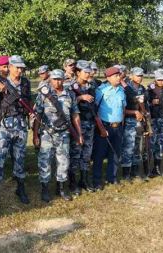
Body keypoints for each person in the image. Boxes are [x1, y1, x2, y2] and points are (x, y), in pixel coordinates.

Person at [0, 55, 32, 207]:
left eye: (21, 68)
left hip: (21, 126)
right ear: (10, 67)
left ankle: (21, 188)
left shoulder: (25, 82)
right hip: (5, 127)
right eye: (17, 67)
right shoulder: (1, 82)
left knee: (19, 159)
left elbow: (28, 101)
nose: (20, 70)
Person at [33, 69, 82, 202]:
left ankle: (61, 188)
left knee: (63, 162)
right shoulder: (44, 94)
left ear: (64, 79)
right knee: (45, 161)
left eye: (59, 79)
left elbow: (75, 115)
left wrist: (79, 133)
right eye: (54, 79)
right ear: (50, 79)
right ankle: (45, 189)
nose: (57, 82)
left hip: (64, 134)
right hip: (47, 133)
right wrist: (35, 135)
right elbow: (37, 115)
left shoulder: (70, 95)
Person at [92, 67, 126, 190]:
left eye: (119, 75)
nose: (118, 78)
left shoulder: (121, 90)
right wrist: (100, 127)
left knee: (115, 153)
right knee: (99, 154)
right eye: (116, 76)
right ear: (108, 78)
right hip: (104, 127)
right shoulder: (101, 91)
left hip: (118, 127)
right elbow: (94, 111)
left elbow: (123, 108)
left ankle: (112, 177)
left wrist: (122, 124)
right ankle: (96, 180)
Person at [68, 60, 95, 195]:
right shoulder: (70, 86)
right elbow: (67, 104)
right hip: (77, 124)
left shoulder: (92, 86)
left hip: (90, 124)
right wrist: (80, 98)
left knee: (86, 154)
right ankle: (72, 183)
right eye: (85, 72)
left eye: (89, 72)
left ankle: (84, 180)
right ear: (78, 72)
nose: (88, 74)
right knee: (75, 153)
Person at [120, 67, 147, 181]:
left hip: (139, 121)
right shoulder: (125, 88)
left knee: (137, 147)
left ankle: (135, 172)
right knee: (128, 147)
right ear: (131, 76)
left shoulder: (142, 89)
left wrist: (144, 115)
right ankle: (126, 173)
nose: (139, 78)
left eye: (141, 76)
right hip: (129, 121)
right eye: (137, 75)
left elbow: (144, 106)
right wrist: (134, 112)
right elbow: (121, 109)